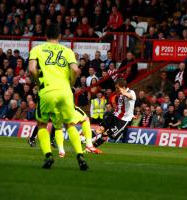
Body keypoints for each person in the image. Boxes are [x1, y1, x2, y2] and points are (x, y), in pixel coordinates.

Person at [28, 24, 88, 170]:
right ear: (60, 37)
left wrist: (38, 83)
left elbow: (31, 69)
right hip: (65, 91)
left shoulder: (36, 49)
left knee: (42, 124)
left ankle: (48, 155)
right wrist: (71, 83)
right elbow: (75, 69)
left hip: (47, 90)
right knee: (69, 125)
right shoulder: (67, 51)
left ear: (45, 36)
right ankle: (80, 155)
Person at [93, 78, 136, 149]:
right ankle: (86, 142)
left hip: (123, 120)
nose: (116, 90)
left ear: (123, 87)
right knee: (100, 129)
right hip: (114, 115)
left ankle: (92, 147)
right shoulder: (119, 94)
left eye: (117, 88)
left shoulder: (131, 92)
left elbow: (131, 97)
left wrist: (123, 93)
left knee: (106, 134)